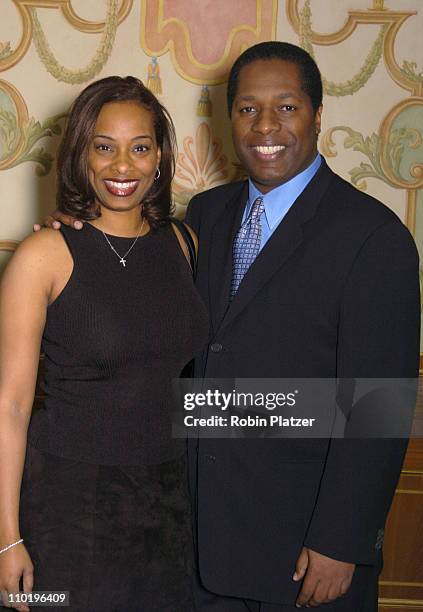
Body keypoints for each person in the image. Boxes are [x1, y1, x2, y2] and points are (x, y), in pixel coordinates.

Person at [36, 43, 420, 611]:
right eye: (247, 108)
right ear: (228, 118)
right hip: (195, 537)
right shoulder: (205, 218)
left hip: (303, 551)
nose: (266, 125)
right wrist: (75, 230)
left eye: (286, 108)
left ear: (317, 115)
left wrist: (341, 540)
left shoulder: (373, 237)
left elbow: (379, 405)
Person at [0, 76, 208, 612]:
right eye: (104, 147)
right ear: (81, 154)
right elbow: (11, 406)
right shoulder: (44, 254)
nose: (123, 166)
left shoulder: (183, 243)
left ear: (160, 155)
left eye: (140, 148)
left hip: (166, 501)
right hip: (68, 506)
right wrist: (6, 538)